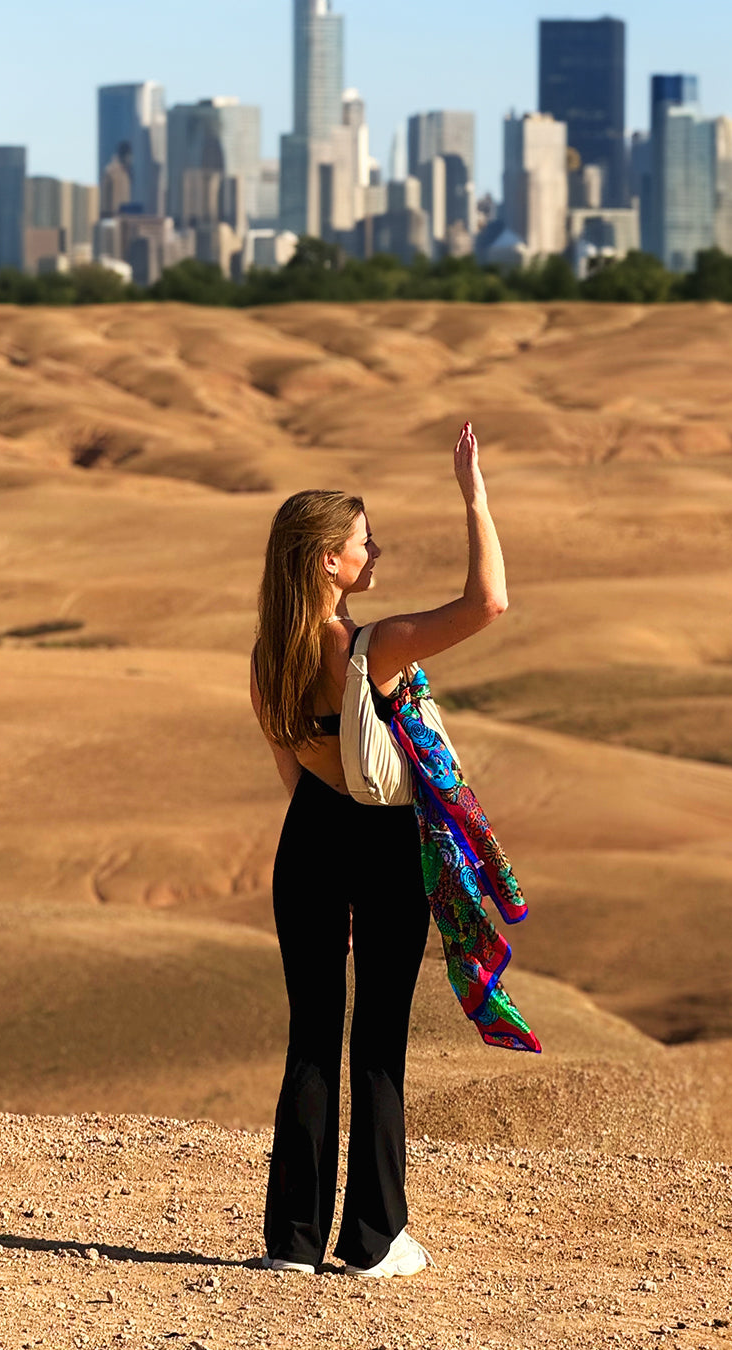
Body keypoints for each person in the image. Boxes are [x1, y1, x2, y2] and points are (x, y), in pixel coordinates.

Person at [249, 422, 512, 1279]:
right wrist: (475, 497)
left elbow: (293, 772)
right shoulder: (371, 648)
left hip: (309, 840)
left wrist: (327, 853)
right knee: (380, 1038)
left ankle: (291, 1243)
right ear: (328, 559)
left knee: (313, 1034)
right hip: (384, 845)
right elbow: (487, 605)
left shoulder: (269, 657)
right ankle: (372, 1240)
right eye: (364, 543)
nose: (376, 553)